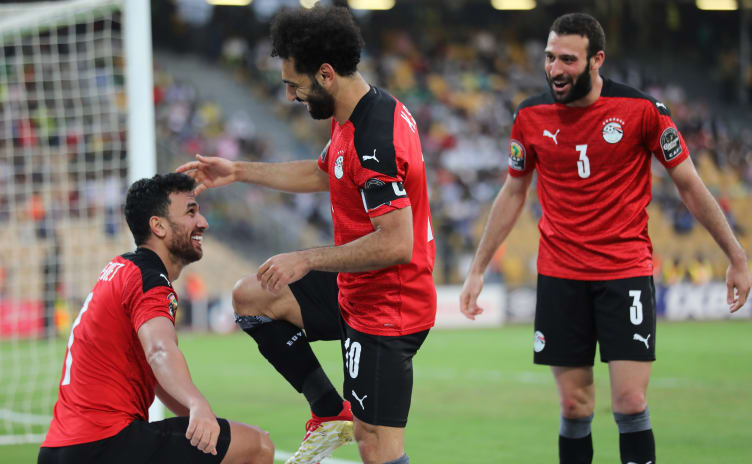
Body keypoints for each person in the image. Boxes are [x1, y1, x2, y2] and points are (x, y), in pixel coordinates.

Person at [459, 12, 751, 464]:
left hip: (624, 274)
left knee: (630, 404)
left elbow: (691, 185)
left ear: (597, 60)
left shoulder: (643, 112)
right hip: (560, 277)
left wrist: (736, 255)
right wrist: (477, 269)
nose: (556, 69)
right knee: (574, 406)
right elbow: (513, 191)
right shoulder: (530, 115)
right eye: (550, 57)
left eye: (568, 60)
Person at [177, 6, 435, 464]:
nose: (293, 96)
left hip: (388, 305)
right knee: (253, 296)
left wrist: (308, 259)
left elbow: (397, 243)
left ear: (326, 74)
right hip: (355, 288)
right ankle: (326, 409)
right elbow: (323, 172)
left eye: (295, 84)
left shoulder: (375, 138)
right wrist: (237, 170)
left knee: (376, 445)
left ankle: (343, 419)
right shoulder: (352, 114)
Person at [38, 173, 274, 464]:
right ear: (158, 226)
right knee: (258, 446)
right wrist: (197, 403)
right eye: (191, 212)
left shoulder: (121, 268)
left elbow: (154, 372)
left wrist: (198, 416)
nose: (203, 222)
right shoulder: (149, 280)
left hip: (60, 449)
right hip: (106, 444)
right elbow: (160, 351)